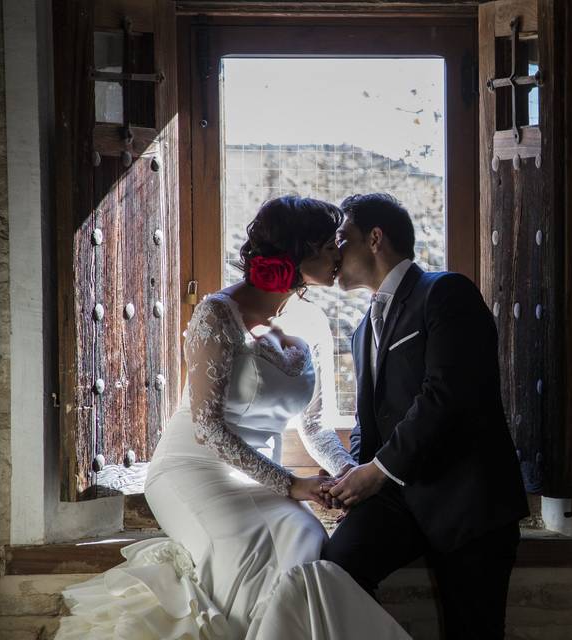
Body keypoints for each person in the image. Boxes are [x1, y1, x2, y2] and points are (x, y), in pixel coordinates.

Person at [56, 195, 410, 640]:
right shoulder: (218, 313)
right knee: (247, 551)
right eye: (325, 246)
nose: (338, 254)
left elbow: (315, 426)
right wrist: (292, 484)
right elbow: (207, 427)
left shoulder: (314, 321)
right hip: (193, 469)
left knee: (304, 538)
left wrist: (347, 475)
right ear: (295, 253)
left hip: (258, 479)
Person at [321, 193, 529, 639]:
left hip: (467, 499)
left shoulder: (445, 291)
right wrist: (358, 477)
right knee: (335, 570)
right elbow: (368, 422)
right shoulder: (361, 332)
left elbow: (447, 394)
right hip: (400, 502)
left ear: (375, 238)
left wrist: (377, 471)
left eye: (343, 238)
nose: (334, 252)